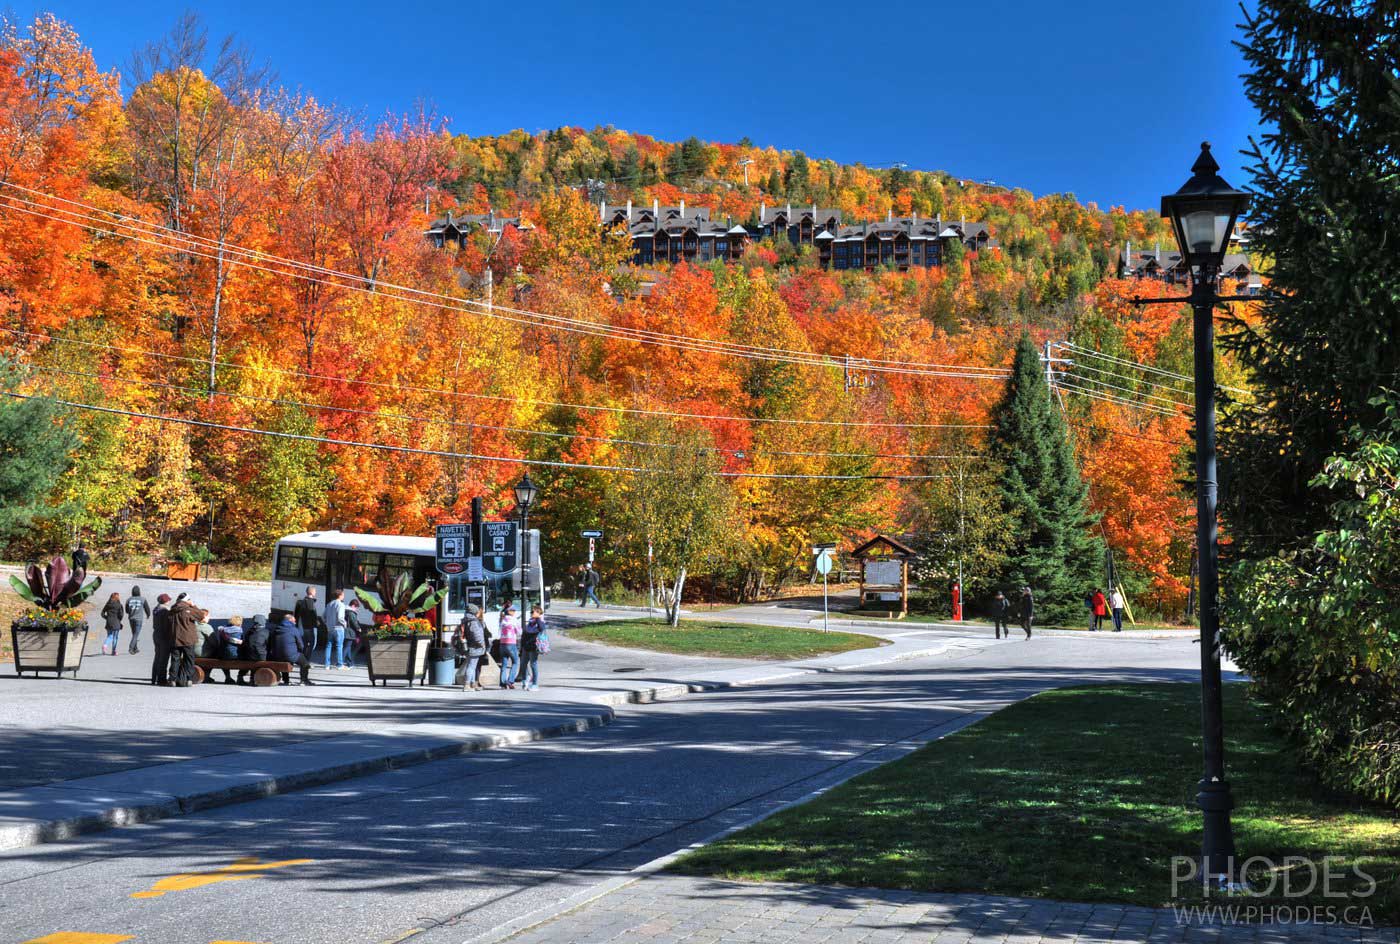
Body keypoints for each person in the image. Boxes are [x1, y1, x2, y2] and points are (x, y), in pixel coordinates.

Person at [269, 613, 313, 685]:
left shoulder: (276, 629)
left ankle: (286, 680)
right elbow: (301, 645)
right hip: (290, 655)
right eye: (294, 621)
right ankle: (304, 680)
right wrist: (300, 651)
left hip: (277, 655)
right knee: (305, 663)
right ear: (290, 620)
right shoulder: (293, 629)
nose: (295, 622)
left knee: (284, 658)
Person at [168, 594, 202, 687]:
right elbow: (201, 616)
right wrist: (193, 605)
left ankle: (172, 679)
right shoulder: (189, 609)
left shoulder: (173, 609)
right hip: (188, 639)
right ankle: (187, 679)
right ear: (187, 600)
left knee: (175, 659)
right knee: (189, 659)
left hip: (175, 638)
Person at [457, 605, 487, 691]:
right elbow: (476, 635)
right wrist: (482, 644)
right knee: (471, 666)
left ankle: (473, 684)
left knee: (472, 665)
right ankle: (467, 685)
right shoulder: (473, 621)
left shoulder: (466, 620)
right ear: (474, 612)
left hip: (469, 645)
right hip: (474, 646)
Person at [518, 605, 546, 691]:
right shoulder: (530, 622)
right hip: (526, 647)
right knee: (523, 664)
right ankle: (525, 680)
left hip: (533, 647)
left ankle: (535, 684)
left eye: (533, 612)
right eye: (531, 612)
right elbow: (524, 634)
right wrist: (521, 647)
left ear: (538, 613)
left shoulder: (540, 622)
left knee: (533, 665)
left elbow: (542, 629)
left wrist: (538, 618)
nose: (531, 613)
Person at [238, 614, 270, 684]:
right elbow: (269, 644)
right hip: (260, 656)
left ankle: (242, 677)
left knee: (251, 656)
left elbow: (246, 642)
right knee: (262, 655)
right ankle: (253, 679)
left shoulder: (249, 631)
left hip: (248, 655)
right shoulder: (266, 632)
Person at [323, 589, 350, 670]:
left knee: (328, 645)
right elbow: (340, 617)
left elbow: (323, 616)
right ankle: (339, 665)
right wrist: (345, 624)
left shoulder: (329, 604)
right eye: (343, 595)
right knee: (339, 646)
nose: (344, 596)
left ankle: (327, 665)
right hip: (338, 628)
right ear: (340, 595)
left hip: (330, 628)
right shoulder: (341, 605)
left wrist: (327, 623)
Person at [150, 593, 173, 685]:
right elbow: (167, 625)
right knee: (163, 658)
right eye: (169, 600)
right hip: (164, 636)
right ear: (166, 601)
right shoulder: (165, 610)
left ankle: (153, 677)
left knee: (157, 656)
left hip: (156, 634)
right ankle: (161, 679)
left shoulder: (156, 609)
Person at [497, 603, 521, 689]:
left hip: (502, 643)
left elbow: (499, 631)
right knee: (515, 662)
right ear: (509, 611)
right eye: (513, 610)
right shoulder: (514, 620)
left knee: (504, 664)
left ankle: (503, 683)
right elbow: (519, 632)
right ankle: (510, 681)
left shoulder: (502, 620)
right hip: (511, 643)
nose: (515, 612)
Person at [294, 587, 321, 655]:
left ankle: (303, 657)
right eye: (315, 592)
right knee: (312, 643)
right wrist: (316, 622)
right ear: (312, 592)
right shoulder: (310, 602)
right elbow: (312, 614)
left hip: (301, 626)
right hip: (309, 627)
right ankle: (306, 659)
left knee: (304, 643)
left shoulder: (300, 602)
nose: (315, 593)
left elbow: (296, 615)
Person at [125, 586, 151, 655]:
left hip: (131, 619)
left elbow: (127, 611)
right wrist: (148, 615)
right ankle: (131, 647)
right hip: (139, 619)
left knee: (134, 633)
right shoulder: (143, 599)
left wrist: (131, 611)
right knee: (136, 634)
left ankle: (135, 648)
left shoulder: (128, 600)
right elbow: (147, 608)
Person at [346, 598, 366, 664]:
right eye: (356, 607)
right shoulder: (351, 612)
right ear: (353, 606)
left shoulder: (346, 611)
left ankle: (349, 661)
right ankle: (344, 661)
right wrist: (358, 628)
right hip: (351, 632)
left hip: (348, 632)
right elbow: (354, 622)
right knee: (349, 647)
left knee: (348, 647)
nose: (357, 609)